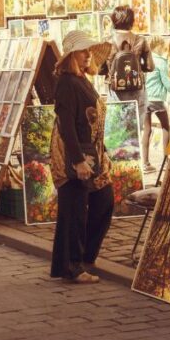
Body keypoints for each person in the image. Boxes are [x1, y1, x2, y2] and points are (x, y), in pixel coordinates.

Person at [49, 30, 114, 285]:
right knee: (73, 210)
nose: (88, 55)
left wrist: (102, 152)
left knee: (104, 199)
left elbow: (90, 122)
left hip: (92, 152)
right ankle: (72, 267)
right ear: (71, 56)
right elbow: (67, 125)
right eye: (82, 51)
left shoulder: (82, 80)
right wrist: (77, 160)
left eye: (89, 51)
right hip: (73, 154)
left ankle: (84, 256)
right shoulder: (66, 82)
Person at [102, 5, 154, 136]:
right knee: (134, 133)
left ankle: (117, 155)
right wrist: (134, 68)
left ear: (114, 21)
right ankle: (135, 156)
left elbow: (99, 70)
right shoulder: (141, 40)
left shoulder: (107, 42)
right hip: (137, 90)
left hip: (115, 91)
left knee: (116, 134)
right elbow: (150, 67)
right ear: (132, 22)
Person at [143, 37, 170, 174]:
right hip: (156, 99)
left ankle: (145, 163)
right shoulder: (160, 62)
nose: (164, 48)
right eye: (163, 46)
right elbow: (167, 82)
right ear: (158, 46)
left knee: (147, 130)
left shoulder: (145, 59)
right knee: (165, 127)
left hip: (145, 98)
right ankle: (165, 161)